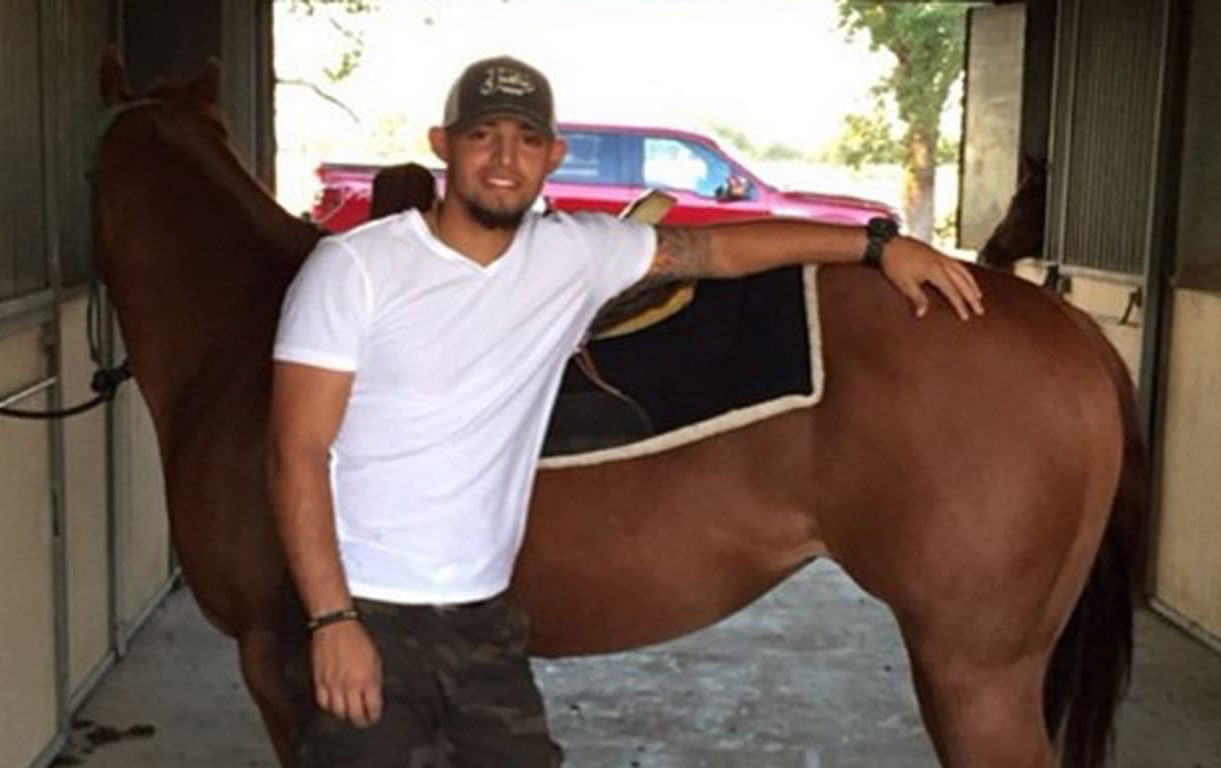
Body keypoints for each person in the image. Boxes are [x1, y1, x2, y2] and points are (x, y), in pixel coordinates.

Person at [267, 55, 983, 767]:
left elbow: (713, 251)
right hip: (370, 606)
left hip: (482, 618)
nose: (504, 158)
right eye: (483, 135)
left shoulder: (571, 255)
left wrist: (878, 245)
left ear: (554, 155)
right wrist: (333, 619)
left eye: (525, 138)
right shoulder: (354, 269)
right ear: (442, 143)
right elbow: (296, 451)